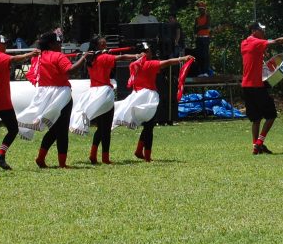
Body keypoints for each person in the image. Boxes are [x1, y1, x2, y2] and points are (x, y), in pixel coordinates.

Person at [112, 43, 192, 162]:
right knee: (149, 127)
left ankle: (139, 150)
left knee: (148, 126)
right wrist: (183, 58)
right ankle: (147, 156)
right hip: (148, 97)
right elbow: (168, 62)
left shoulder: (133, 65)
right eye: (149, 51)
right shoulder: (149, 64)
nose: (151, 53)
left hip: (137, 96)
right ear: (144, 53)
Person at [240, 21, 283, 155]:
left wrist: (262, 57)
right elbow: (276, 41)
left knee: (256, 119)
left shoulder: (244, 43)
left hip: (246, 86)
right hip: (257, 86)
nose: (263, 32)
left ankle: (255, 146)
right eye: (261, 30)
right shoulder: (257, 42)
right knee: (271, 116)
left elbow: (253, 58)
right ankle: (259, 143)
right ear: (254, 31)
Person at [23, 32, 87, 168]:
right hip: (61, 95)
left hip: (45, 95)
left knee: (54, 129)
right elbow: (70, 70)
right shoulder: (58, 56)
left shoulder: (38, 57)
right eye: (58, 43)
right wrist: (83, 58)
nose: (60, 45)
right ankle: (62, 163)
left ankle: (40, 158)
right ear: (51, 44)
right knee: (62, 130)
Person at [0, 34, 39, 171]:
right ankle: (0, 155)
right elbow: (15, 59)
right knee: (13, 129)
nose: (6, 45)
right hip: (0, 100)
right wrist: (31, 54)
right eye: (3, 43)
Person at [73, 35, 137, 164]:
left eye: (105, 44)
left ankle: (93, 154)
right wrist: (136, 56)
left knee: (101, 127)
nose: (105, 46)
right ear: (97, 46)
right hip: (104, 94)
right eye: (103, 44)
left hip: (93, 93)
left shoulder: (90, 59)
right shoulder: (104, 57)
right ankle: (105, 158)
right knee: (106, 128)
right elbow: (122, 57)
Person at [193, 0, 212, 76]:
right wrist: (200, 27)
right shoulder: (197, 18)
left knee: (205, 55)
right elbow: (195, 29)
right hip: (199, 38)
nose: (200, 10)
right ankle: (200, 72)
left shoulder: (207, 16)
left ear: (204, 9)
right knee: (199, 55)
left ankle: (206, 71)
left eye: (202, 9)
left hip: (205, 38)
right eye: (199, 9)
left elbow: (207, 26)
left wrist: (199, 27)